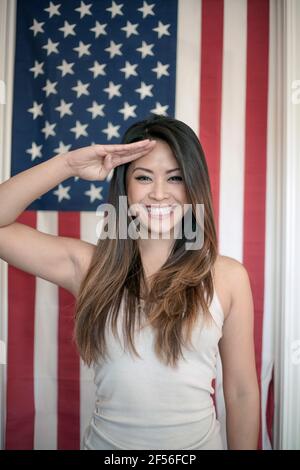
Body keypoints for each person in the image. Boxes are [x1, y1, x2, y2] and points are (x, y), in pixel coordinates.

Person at [0, 115, 260, 450]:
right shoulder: (90, 268)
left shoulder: (228, 277)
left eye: (176, 177)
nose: (159, 193)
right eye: (143, 177)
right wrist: (67, 164)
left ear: (194, 186)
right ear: (124, 186)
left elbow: (241, 392)